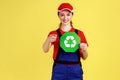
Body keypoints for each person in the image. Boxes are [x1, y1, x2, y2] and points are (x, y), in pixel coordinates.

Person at [43, 3, 88, 80]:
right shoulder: (54, 33)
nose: (65, 18)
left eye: (68, 14)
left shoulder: (79, 34)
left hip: (75, 70)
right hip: (59, 70)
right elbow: (45, 50)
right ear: (58, 16)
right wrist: (48, 40)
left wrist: (84, 50)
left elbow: (85, 57)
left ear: (72, 15)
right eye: (62, 15)